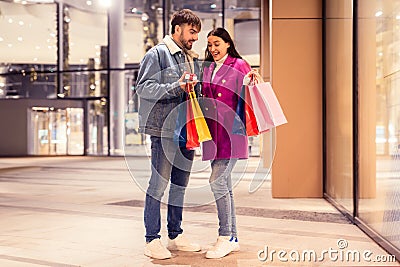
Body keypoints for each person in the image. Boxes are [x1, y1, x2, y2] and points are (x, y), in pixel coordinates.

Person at [135, 9, 202, 260]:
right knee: (158, 185)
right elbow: (143, 88)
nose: (195, 38)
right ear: (178, 29)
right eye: (192, 32)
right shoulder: (158, 54)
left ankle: (175, 234)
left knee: (179, 186)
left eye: (197, 34)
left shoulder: (188, 57)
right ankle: (152, 239)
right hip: (163, 129)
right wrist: (176, 86)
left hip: (186, 129)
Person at [200, 27, 252, 259]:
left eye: (217, 44)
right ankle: (233, 237)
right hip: (213, 134)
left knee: (217, 182)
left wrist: (254, 80)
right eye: (210, 45)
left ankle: (225, 236)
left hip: (232, 133)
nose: (213, 49)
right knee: (225, 185)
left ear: (228, 44)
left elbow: (251, 90)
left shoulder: (239, 65)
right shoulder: (208, 68)